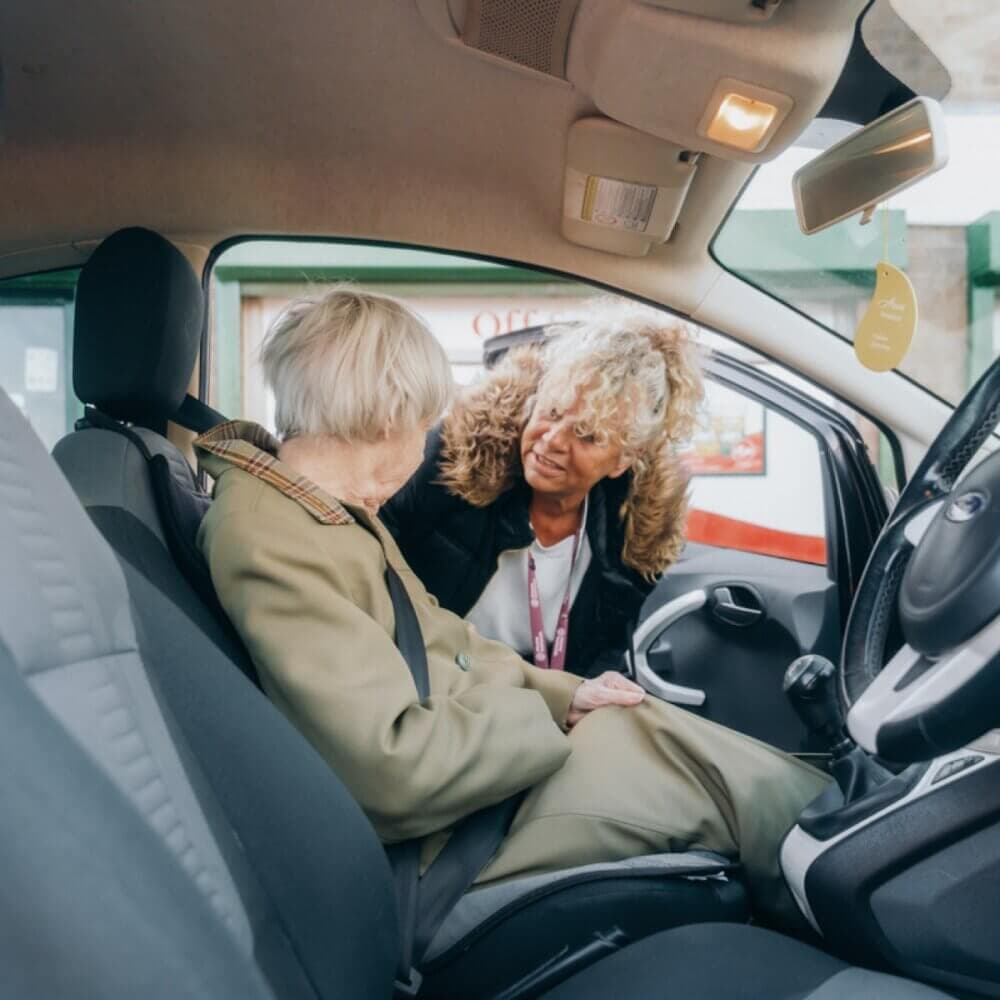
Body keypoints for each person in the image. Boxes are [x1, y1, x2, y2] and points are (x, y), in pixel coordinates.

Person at [194, 287, 828, 926]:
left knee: (670, 737)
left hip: (475, 762)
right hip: (448, 841)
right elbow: (393, 771)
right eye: (421, 424)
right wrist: (540, 720)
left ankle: (844, 834)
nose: (425, 445)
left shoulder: (331, 513)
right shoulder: (272, 536)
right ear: (388, 417)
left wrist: (565, 697)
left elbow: (442, 636)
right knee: (718, 785)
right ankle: (854, 877)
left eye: (585, 435)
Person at [382, 315, 700, 677]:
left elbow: (606, 649)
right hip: (425, 672)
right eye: (551, 412)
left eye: (585, 434)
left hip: (539, 697)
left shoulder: (635, 536)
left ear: (623, 460)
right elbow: (371, 558)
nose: (551, 441)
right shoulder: (454, 460)